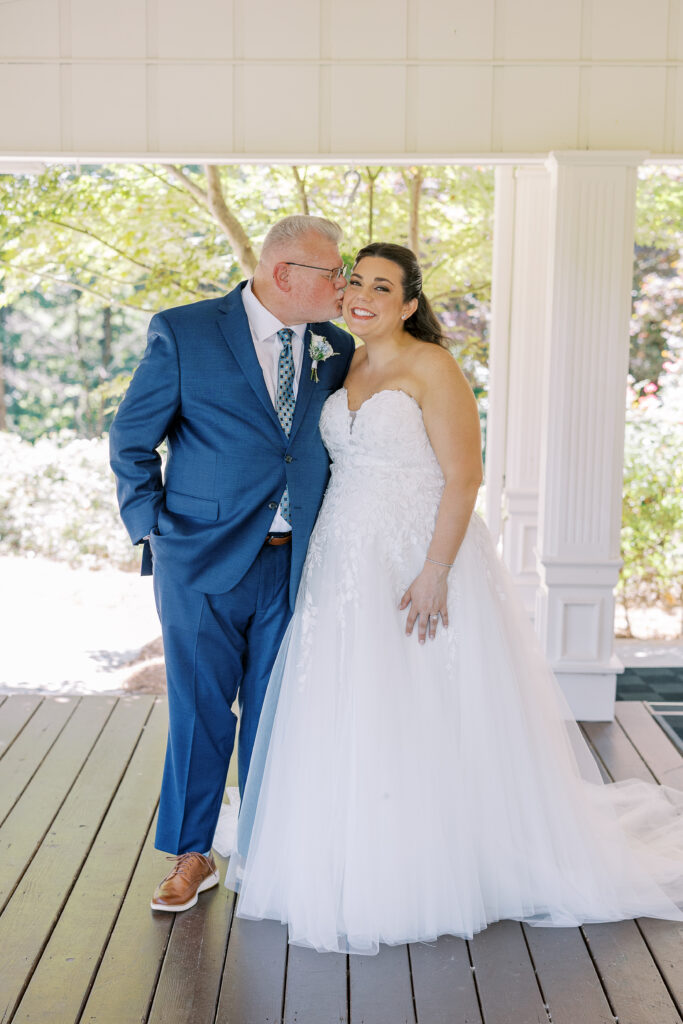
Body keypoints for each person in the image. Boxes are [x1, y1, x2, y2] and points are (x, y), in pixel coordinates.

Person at [218, 242, 683, 955]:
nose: (362, 295)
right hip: (342, 555)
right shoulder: (337, 363)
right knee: (345, 697)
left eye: (382, 286)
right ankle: (343, 851)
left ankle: (437, 862)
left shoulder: (431, 366)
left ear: (408, 303)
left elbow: (464, 478)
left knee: (421, 699)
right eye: (354, 282)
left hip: (417, 553)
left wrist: (435, 569)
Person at [109, 215, 355, 913]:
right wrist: (153, 531)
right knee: (199, 708)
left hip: (296, 563)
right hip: (200, 558)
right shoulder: (184, 331)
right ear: (285, 275)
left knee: (281, 713)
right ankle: (190, 857)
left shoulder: (333, 347)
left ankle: (266, 850)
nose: (340, 286)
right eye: (331, 273)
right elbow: (131, 440)